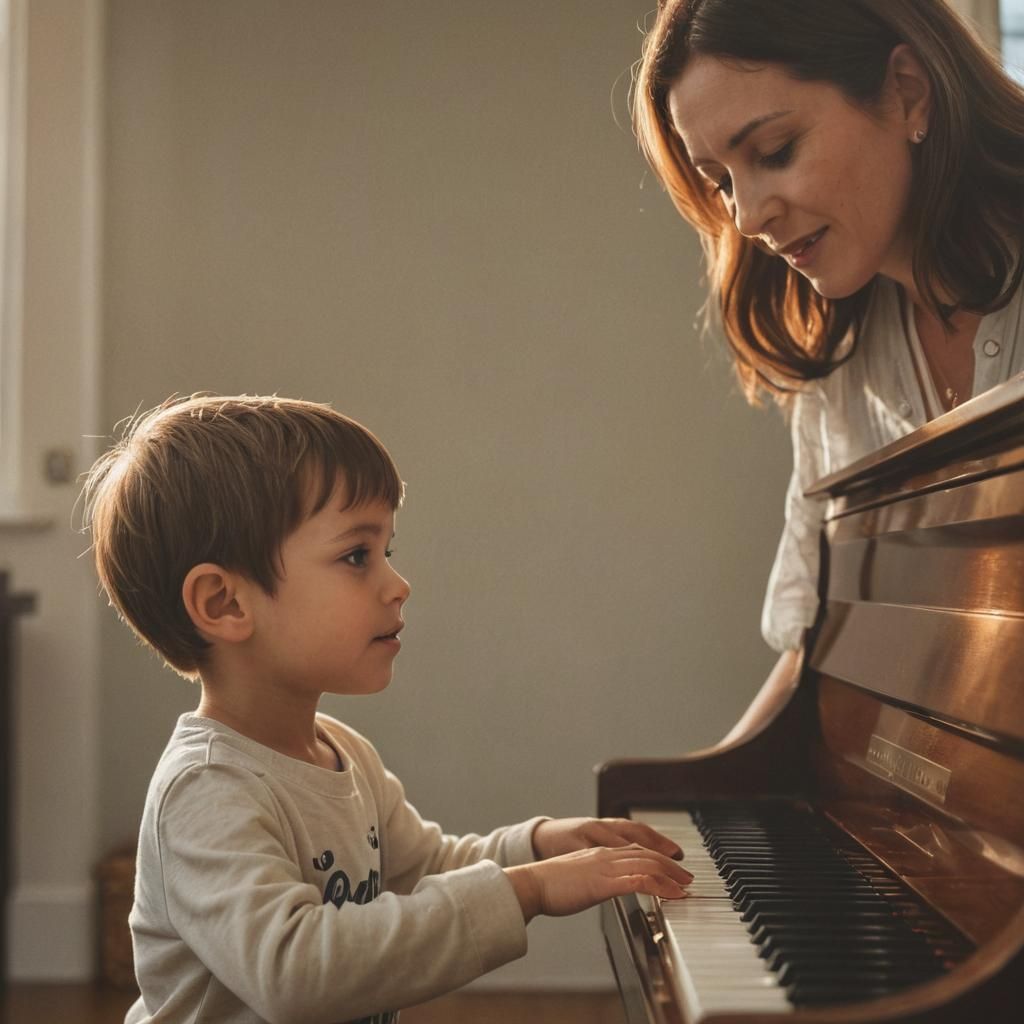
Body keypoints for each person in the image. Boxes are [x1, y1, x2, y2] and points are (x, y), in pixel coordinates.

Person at [82, 393, 693, 1024]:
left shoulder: (343, 754)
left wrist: (538, 848)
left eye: (387, 553)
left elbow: (424, 869)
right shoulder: (206, 789)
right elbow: (294, 972)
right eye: (356, 556)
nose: (397, 585)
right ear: (225, 603)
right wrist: (529, 891)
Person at [632, 0, 1024, 742]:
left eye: (775, 151)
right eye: (720, 180)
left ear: (907, 92)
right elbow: (814, 644)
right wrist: (699, 816)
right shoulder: (839, 366)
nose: (746, 216)